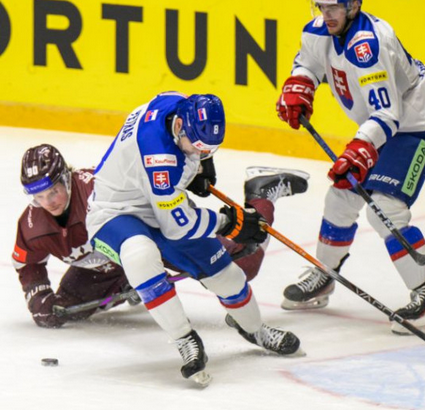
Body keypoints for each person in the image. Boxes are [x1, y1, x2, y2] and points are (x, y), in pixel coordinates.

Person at [275, 0, 425, 334]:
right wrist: (300, 85)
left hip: (415, 129)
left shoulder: (368, 46)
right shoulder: (319, 30)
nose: (326, 16)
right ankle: (325, 275)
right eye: (321, 7)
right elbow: (308, 62)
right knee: (340, 198)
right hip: (383, 129)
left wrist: (360, 149)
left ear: (354, 5)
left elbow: (388, 114)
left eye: (333, 9)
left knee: (385, 208)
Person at [86, 91, 304, 386]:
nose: (200, 153)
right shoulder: (159, 159)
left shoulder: (177, 103)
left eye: (209, 149)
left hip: (155, 201)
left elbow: (184, 153)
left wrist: (200, 166)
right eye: (197, 147)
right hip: (114, 213)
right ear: (179, 128)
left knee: (227, 277)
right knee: (141, 254)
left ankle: (255, 329)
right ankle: (184, 338)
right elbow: (177, 227)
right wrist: (228, 223)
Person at [12, 144, 131, 328]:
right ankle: (121, 284)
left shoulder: (96, 190)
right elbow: (28, 262)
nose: (48, 203)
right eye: (39, 196)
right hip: (97, 271)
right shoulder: (32, 225)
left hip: (139, 249)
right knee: (57, 310)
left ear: (66, 179)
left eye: (53, 192)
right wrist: (39, 296)